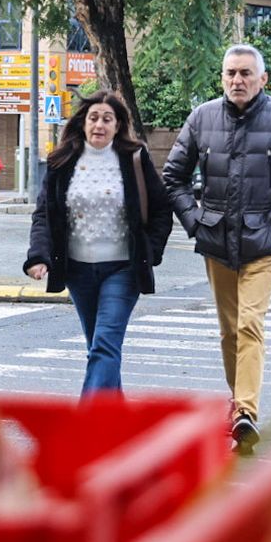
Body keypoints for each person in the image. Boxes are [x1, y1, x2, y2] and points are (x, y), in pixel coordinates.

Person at [163, 44, 271, 453]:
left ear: (262, 79)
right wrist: (195, 223)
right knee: (229, 332)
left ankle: (246, 412)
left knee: (251, 325)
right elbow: (173, 178)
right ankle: (239, 409)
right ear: (222, 77)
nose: (237, 80)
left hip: (262, 244)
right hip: (216, 242)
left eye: (246, 73)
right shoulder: (202, 118)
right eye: (231, 73)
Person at [24, 92, 172, 399]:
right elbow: (44, 214)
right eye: (94, 118)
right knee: (101, 349)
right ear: (82, 122)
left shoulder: (134, 159)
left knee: (104, 345)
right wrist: (38, 256)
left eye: (107, 119)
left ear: (118, 125)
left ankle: (85, 426)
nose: (99, 125)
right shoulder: (61, 161)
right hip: (78, 271)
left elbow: (161, 209)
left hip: (123, 269)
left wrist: (150, 252)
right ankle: (115, 426)